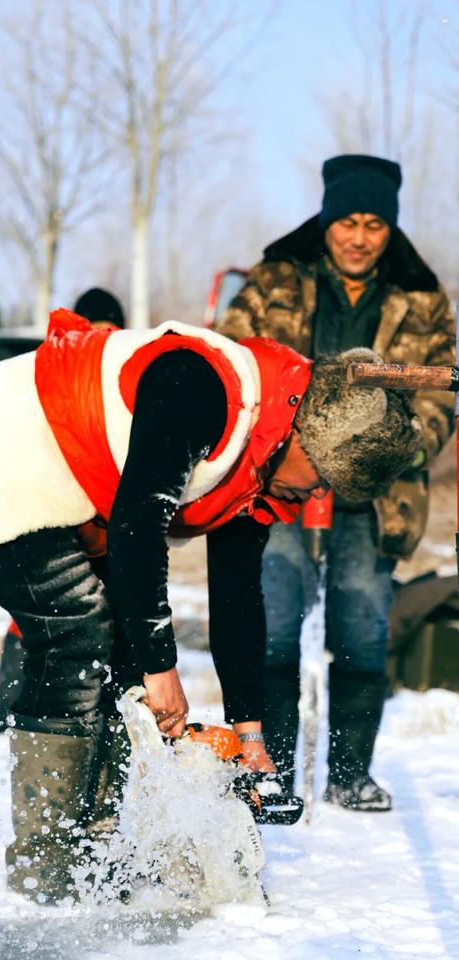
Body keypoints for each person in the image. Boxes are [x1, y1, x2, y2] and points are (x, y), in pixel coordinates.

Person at [0, 306, 420, 901]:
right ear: (305, 436)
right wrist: (164, 671)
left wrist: (250, 730)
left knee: (121, 657)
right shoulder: (204, 387)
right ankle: (46, 860)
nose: (319, 492)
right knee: (78, 635)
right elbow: (139, 528)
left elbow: (238, 598)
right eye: (323, 475)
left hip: (77, 482)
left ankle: (95, 842)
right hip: (2, 452)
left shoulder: (260, 465)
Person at [214, 154, 455, 812]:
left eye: (374, 224)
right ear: (326, 221)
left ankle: (350, 775)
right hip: (279, 484)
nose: (358, 236)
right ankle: (275, 774)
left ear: (389, 229)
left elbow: (440, 402)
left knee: (361, 631)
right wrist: (280, 451)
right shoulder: (275, 281)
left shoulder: (423, 299)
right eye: (346, 220)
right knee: (274, 628)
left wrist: (385, 449)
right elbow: (230, 362)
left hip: (376, 494)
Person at [0, 287, 126, 734]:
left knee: (88, 620)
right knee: (40, 619)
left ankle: (84, 716)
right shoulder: (63, 370)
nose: (99, 337)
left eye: (107, 329)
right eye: (93, 328)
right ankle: (8, 705)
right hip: (59, 506)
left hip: (97, 514)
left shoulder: (107, 375)